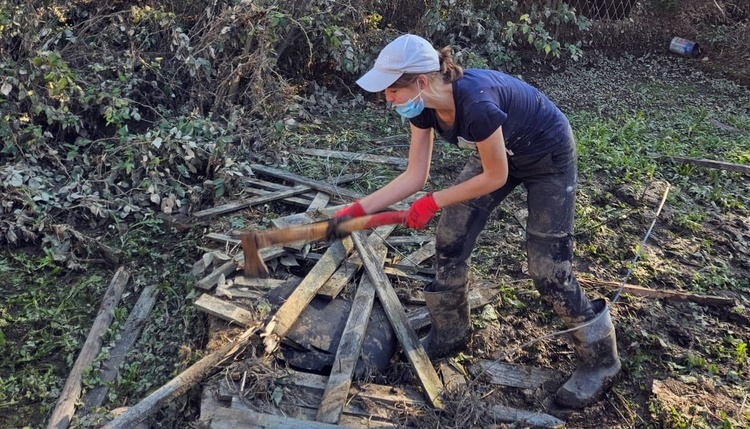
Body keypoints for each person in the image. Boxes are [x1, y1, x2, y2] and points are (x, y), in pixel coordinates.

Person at [332, 34, 620, 409]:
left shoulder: (477, 103)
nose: (387, 99)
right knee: (450, 236)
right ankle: (451, 332)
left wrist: (433, 202)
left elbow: (495, 176)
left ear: (420, 81)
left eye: (391, 91)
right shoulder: (423, 107)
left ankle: (602, 362)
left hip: (547, 156)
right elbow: (414, 176)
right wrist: (358, 209)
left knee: (548, 269)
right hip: (499, 153)